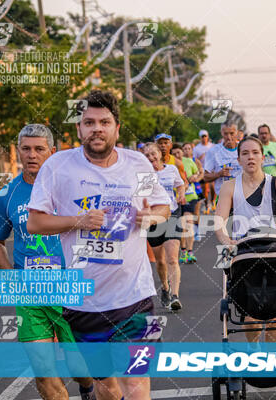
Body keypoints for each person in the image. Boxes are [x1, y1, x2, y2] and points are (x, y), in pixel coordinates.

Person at [27, 90, 171, 400]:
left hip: (136, 296)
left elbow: (163, 207)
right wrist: (78, 221)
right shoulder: (57, 167)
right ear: (78, 128)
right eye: (89, 122)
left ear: (117, 127)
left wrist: (150, 217)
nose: (97, 129)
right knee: (106, 385)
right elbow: (35, 222)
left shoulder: (137, 164)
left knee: (137, 382)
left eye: (104, 122)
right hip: (83, 304)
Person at [0, 124, 96, 400]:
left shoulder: (73, 186)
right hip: (30, 293)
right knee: (44, 371)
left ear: (52, 152)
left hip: (71, 289)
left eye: (39, 149)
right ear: (18, 152)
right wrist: (11, 275)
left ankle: (87, 386)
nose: (32, 155)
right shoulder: (8, 194)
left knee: (79, 366)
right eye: (26, 149)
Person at [215, 136, 276, 343]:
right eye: (245, 154)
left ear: (263, 157)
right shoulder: (229, 187)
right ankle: (254, 352)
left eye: (255, 153)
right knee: (251, 316)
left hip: (275, 252)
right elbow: (219, 221)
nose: (250, 158)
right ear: (238, 160)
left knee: (275, 315)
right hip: (244, 253)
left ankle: (273, 359)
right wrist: (226, 240)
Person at [143, 142, 186, 310]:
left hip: (172, 214)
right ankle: (165, 288)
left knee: (172, 258)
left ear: (160, 154)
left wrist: (181, 193)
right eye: (147, 156)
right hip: (153, 219)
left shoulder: (171, 169)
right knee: (160, 261)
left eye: (153, 154)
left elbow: (180, 184)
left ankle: (175, 296)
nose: (151, 158)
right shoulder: (143, 175)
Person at [172, 143, 203, 263]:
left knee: (188, 222)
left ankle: (189, 252)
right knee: (181, 226)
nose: (177, 155)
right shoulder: (170, 165)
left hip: (190, 197)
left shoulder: (189, 161)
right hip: (176, 199)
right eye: (174, 154)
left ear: (182, 152)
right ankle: (184, 251)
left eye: (178, 153)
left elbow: (199, 173)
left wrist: (195, 177)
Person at [203, 121, 242, 197]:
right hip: (223, 197)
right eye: (226, 134)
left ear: (237, 133)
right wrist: (218, 174)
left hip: (242, 197)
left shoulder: (244, 149)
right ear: (221, 133)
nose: (229, 137)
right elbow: (205, 177)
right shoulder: (213, 151)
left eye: (231, 133)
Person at [193, 130, 216, 212]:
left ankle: (213, 201)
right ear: (200, 138)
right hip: (202, 170)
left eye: (205, 136)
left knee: (213, 187)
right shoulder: (196, 148)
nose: (204, 138)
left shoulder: (213, 146)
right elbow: (194, 160)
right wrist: (201, 157)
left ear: (208, 136)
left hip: (212, 170)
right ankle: (207, 205)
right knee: (205, 190)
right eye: (202, 136)